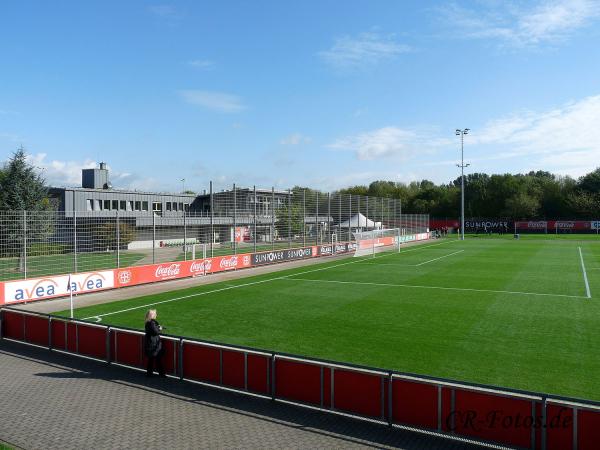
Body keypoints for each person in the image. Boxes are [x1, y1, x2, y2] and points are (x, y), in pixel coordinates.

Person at [144, 309, 165, 377]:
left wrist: (157, 327)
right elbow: (155, 332)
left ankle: (150, 373)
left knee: (151, 359)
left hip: (151, 343)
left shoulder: (148, 322)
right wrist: (160, 329)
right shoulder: (151, 322)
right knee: (157, 359)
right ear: (152, 315)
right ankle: (161, 374)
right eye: (155, 314)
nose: (156, 315)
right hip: (153, 343)